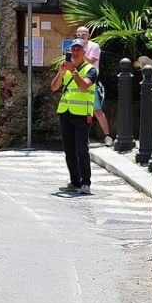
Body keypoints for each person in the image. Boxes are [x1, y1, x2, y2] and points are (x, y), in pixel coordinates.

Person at [50, 39, 97, 196]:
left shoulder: (91, 69)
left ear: (84, 52)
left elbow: (84, 86)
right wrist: (61, 73)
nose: (75, 52)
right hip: (66, 111)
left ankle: (86, 183)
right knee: (69, 149)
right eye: (73, 50)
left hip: (82, 114)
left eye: (78, 49)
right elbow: (54, 87)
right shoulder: (66, 68)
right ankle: (74, 181)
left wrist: (74, 72)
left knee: (82, 149)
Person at [75, 26, 112, 142]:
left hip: (90, 80)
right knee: (79, 110)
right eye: (78, 34)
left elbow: (91, 61)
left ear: (88, 35)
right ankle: (81, 136)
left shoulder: (94, 46)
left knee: (97, 110)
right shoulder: (74, 46)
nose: (81, 36)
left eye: (83, 34)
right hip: (77, 78)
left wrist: (82, 52)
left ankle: (107, 136)